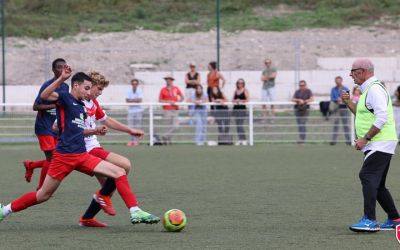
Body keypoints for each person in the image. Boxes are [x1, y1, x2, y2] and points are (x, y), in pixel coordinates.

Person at [0, 66, 160, 225]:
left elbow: (76, 131)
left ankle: (135, 211)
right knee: (43, 195)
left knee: (119, 171)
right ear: (76, 85)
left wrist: (93, 131)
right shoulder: (64, 98)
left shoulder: (82, 107)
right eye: (86, 88)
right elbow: (44, 95)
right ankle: (5, 210)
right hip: (64, 157)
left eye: (90, 88)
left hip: (82, 155)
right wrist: (62, 78)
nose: (88, 92)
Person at [80, 71, 158, 227]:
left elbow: (107, 120)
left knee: (109, 187)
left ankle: (87, 218)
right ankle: (134, 210)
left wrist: (130, 130)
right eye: (99, 89)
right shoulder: (77, 102)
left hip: (94, 146)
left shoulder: (93, 103)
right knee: (123, 166)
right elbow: (63, 126)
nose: (100, 93)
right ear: (90, 86)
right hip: (85, 150)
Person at [342, 58, 400, 232]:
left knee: (367, 175)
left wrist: (365, 138)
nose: (350, 74)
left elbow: (381, 117)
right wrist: (348, 103)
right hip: (379, 142)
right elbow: (362, 115)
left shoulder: (374, 90)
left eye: (353, 71)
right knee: (378, 183)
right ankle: (395, 219)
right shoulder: (368, 90)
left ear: (363, 71)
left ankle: (370, 220)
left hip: (379, 142)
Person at [23, 58, 69, 189]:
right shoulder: (47, 85)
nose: (61, 70)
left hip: (56, 127)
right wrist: (55, 104)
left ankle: (31, 165)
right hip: (44, 127)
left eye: (64, 67)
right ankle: (41, 189)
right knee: (52, 158)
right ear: (53, 70)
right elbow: (36, 106)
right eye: (59, 67)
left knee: (57, 158)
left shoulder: (66, 86)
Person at [158, 74, 184, 145]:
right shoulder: (163, 89)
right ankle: (167, 140)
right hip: (167, 109)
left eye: (170, 79)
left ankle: (165, 136)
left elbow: (182, 97)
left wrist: (177, 102)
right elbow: (160, 100)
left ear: (172, 80)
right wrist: (168, 102)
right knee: (167, 126)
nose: (168, 81)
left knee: (176, 126)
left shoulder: (176, 88)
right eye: (167, 79)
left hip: (175, 109)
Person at [329, 76, 351, 145]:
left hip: (344, 108)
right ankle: (333, 141)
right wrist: (337, 99)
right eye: (336, 81)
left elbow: (348, 98)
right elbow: (332, 98)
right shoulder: (333, 89)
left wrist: (342, 100)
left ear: (341, 81)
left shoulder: (345, 89)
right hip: (336, 109)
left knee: (346, 125)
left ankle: (348, 141)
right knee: (336, 125)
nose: (338, 82)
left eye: (339, 81)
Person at [126, 78, 144, 147]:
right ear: (131, 84)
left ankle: (136, 141)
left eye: (136, 84)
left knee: (137, 127)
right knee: (130, 127)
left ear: (137, 84)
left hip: (138, 111)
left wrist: (132, 100)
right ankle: (132, 141)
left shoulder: (140, 91)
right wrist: (135, 100)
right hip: (131, 111)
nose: (134, 85)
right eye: (133, 84)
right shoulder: (128, 91)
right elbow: (127, 100)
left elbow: (140, 100)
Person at [232, 78, 250, 146]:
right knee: (237, 125)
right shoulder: (235, 91)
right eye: (239, 83)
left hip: (242, 109)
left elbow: (247, 99)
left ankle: (244, 139)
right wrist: (235, 100)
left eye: (242, 83)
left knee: (240, 125)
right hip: (236, 109)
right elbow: (232, 99)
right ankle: (240, 139)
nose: (240, 84)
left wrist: (240, 100)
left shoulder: (245, 90)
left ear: (243, 84)